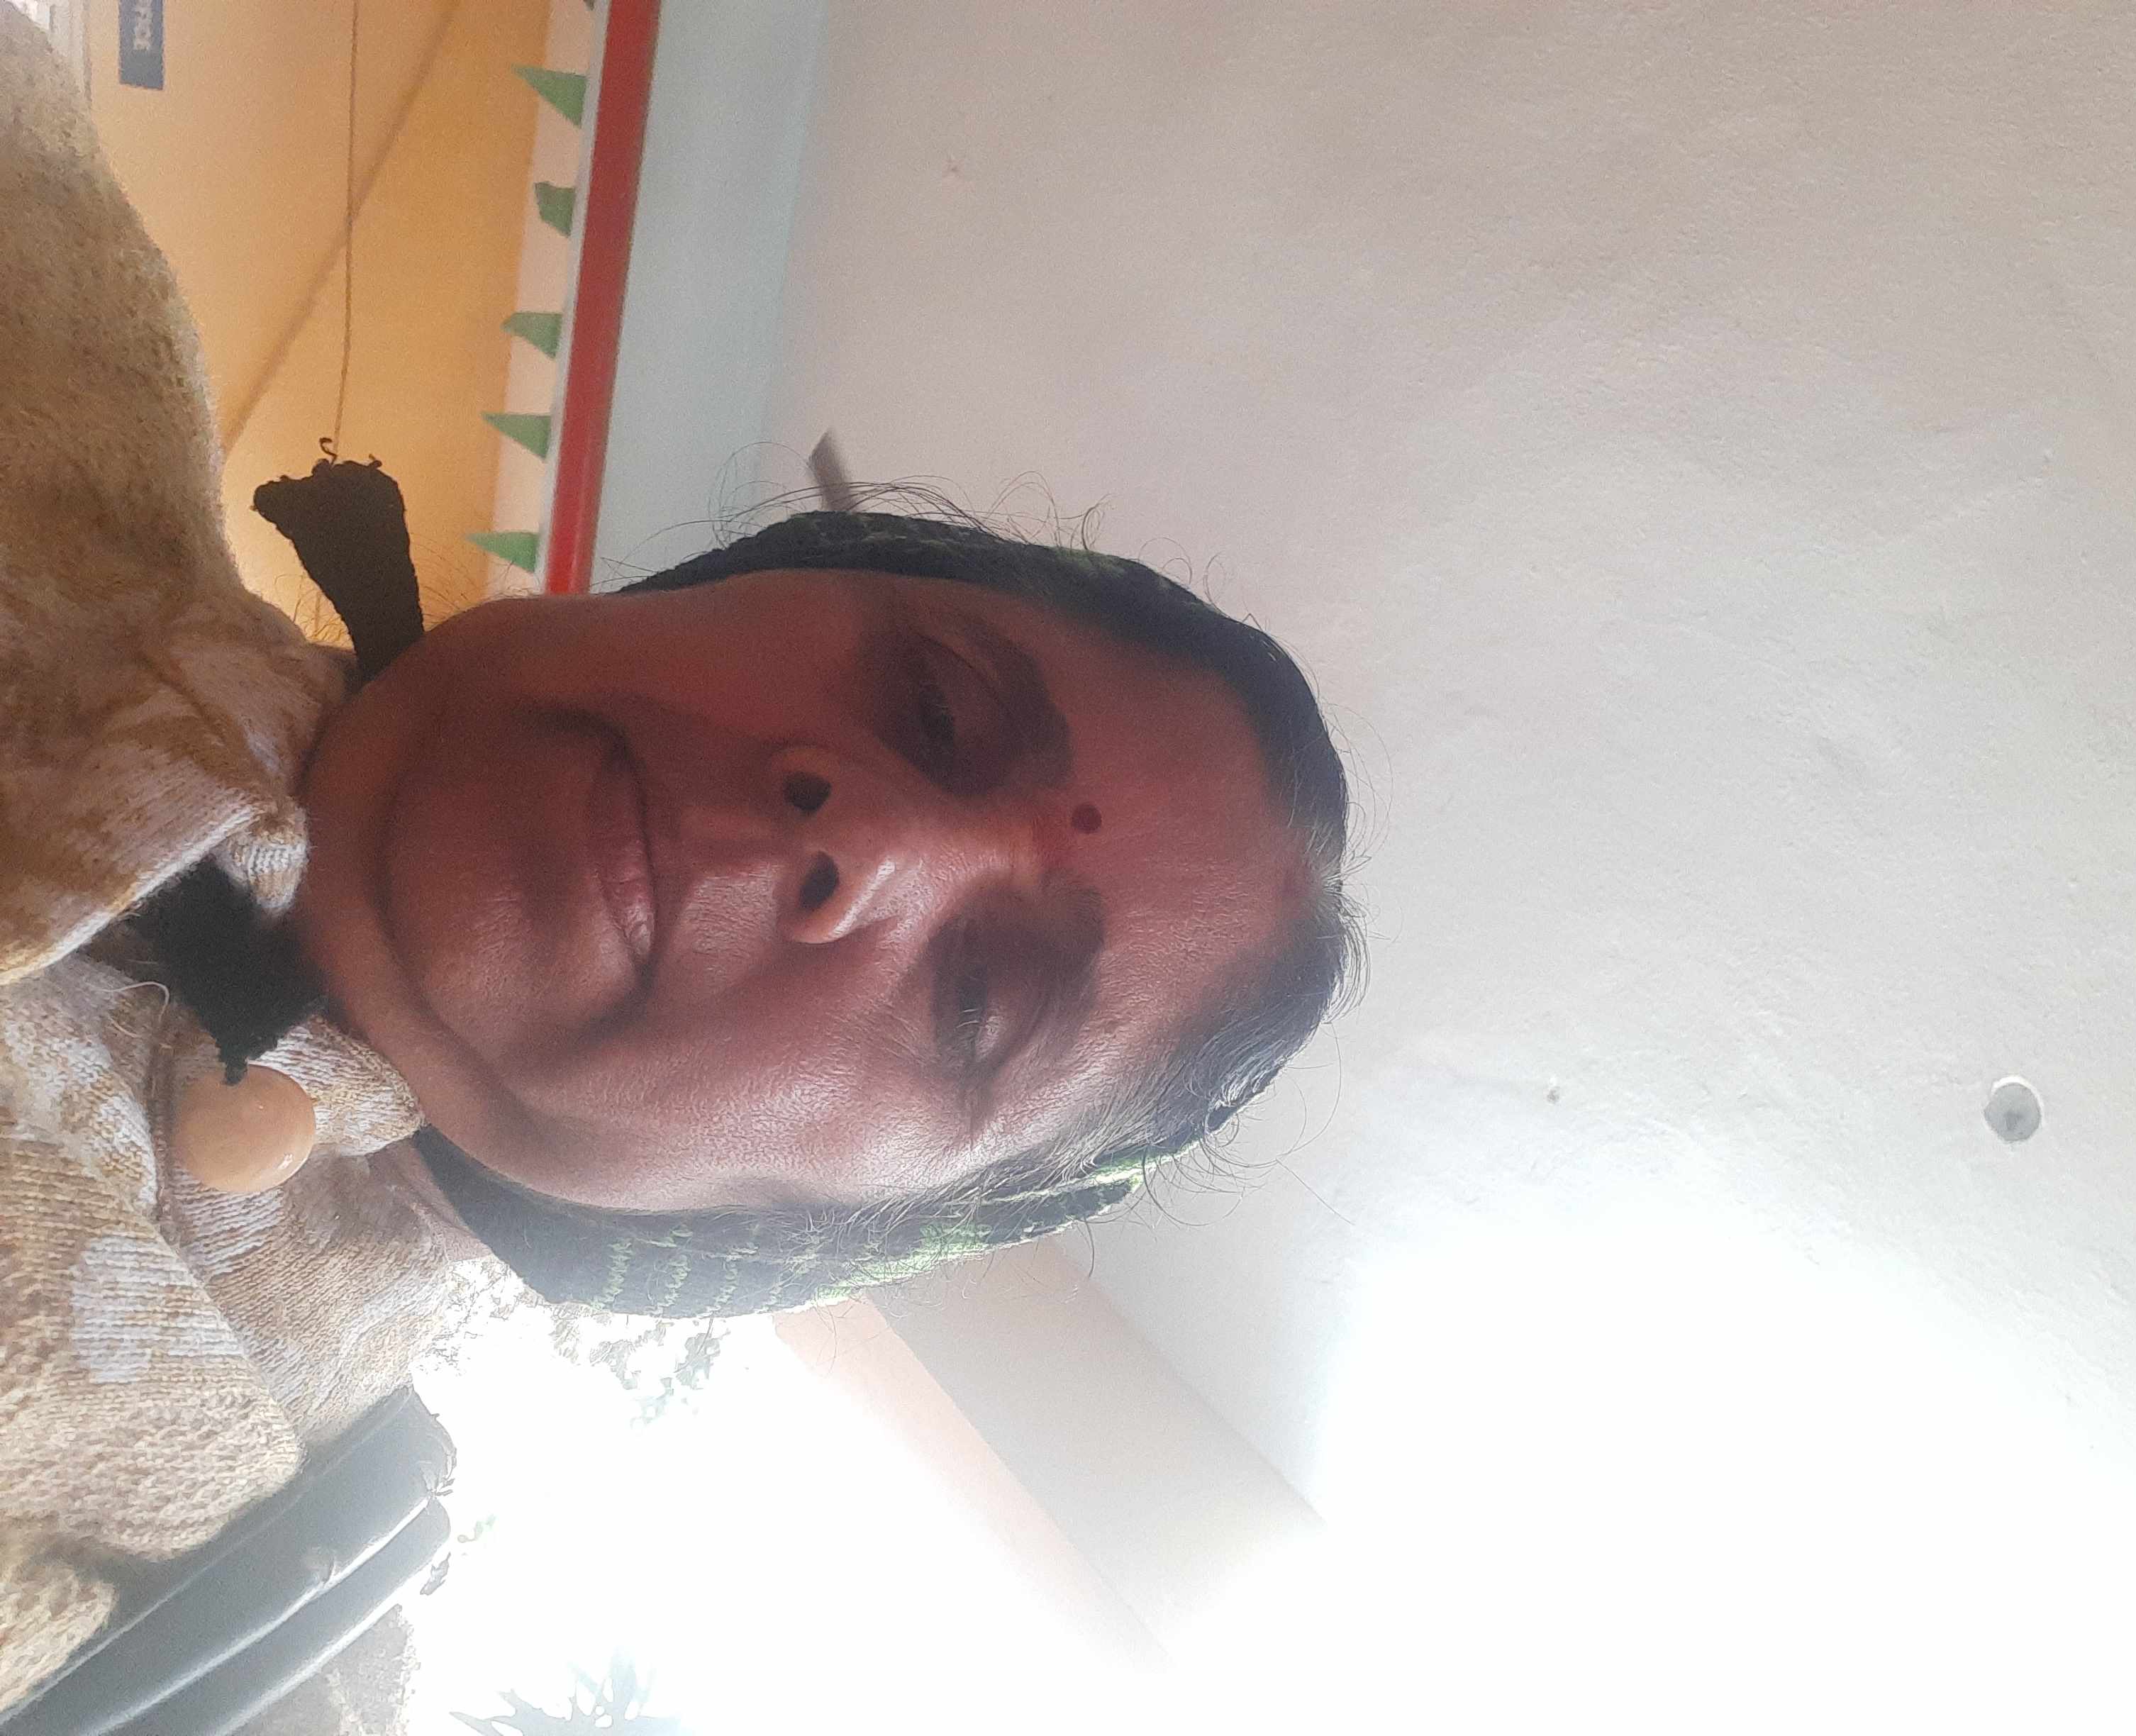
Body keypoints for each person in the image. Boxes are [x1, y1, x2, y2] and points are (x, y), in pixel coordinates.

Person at [0, 9, 1355, 1728]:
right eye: (938, 709)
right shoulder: (41, 288)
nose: (871, 839)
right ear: (740, 580)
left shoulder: (200, 1616)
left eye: (975, 999)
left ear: (782, 1230)